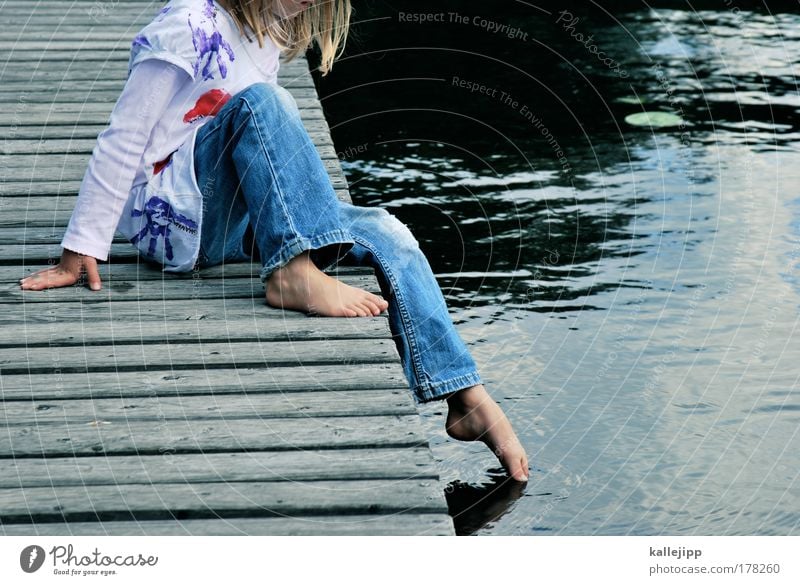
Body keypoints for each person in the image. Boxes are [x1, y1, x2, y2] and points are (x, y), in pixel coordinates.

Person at [19, 0, 529, 482]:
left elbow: (261, 157)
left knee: (384, 228)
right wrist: (82, 245)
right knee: (264, 104)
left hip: (231, 221)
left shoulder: (267, 28)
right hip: (174, 220)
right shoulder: (188, 23)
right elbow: (125, 135)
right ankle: (292, 272)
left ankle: (463, 393)